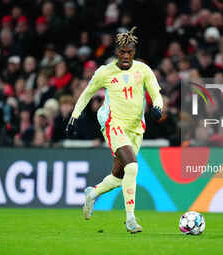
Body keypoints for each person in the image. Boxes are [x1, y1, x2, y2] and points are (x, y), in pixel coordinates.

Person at [65, 27, 163, 233]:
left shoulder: (143, 70)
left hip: (136, 128)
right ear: (116, 52)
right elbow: (86, 93)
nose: (126, 56)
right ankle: (130, 219)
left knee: (119, 176)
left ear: (134, 52)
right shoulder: (105, 72)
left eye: (129, 52)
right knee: (133, 168)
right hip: (114, 124)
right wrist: (74, 115)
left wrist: (157, 107)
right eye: (122, 52)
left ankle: (92, 193)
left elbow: (156, 93)